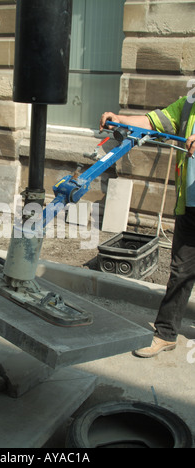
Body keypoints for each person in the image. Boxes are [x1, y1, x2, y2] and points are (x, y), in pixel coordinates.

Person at [100, 96, 195, 358]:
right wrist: (121, 120)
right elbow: (155, 120)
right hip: (190, 206)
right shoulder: (189, 104)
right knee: (180, 271)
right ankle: (165, 334)